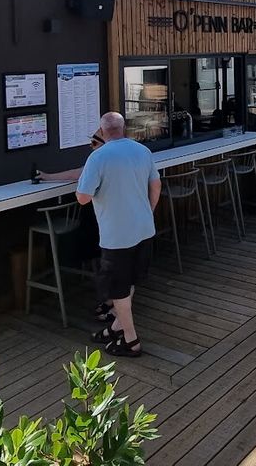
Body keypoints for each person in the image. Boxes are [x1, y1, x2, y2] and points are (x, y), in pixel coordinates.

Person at [72, 112, 159, 357]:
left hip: (117, 234)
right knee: (130, 280)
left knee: (117, 288)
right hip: (144, 228)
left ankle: (130, 340)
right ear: (123, 128)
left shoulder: (97, 157)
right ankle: (116, 327)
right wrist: (148, 212)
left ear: (101, 131)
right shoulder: (142, 151)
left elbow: (82, 198)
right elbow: (156, 185)